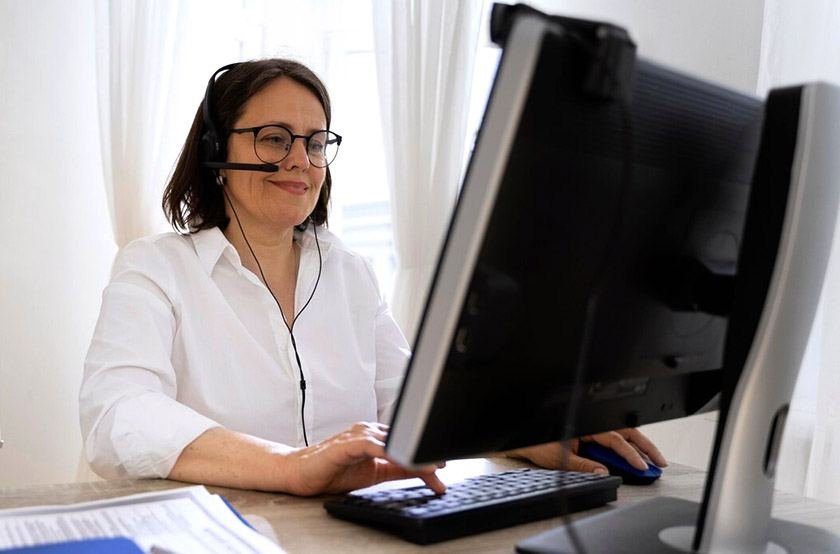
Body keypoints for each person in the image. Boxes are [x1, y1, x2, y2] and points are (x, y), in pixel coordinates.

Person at [80, 58, 666, 497]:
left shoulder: (351, 274)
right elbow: (117, 415)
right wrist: (291, 466)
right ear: (215, 152)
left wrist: (516, 430)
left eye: (315, 142)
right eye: (273, 138)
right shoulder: (154, 267)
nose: (300, 162)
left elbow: (411, 398)